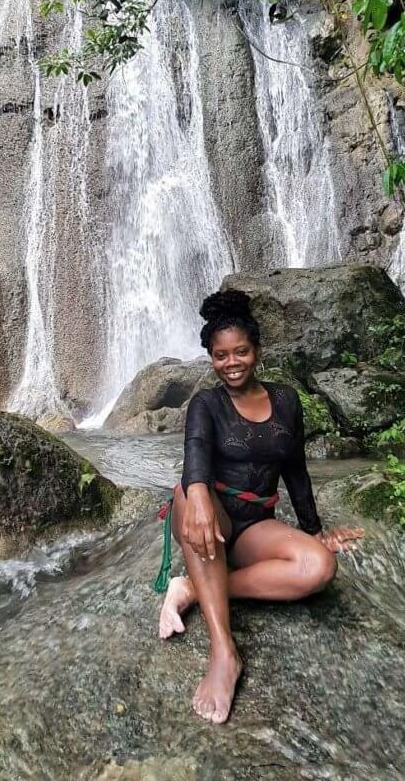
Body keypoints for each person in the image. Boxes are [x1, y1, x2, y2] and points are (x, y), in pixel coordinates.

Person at [158, 288, 364, 724]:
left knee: (319, 567)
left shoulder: (286, 401)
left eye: (241, 352)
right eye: (220, 355)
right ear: (211, 358)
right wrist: (196, 494)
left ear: (257, 350)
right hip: (208, 518)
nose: (232, 363)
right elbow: (195, 453)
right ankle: (223, 652)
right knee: (186, 490)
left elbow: (295, 469)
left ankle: (195, 589)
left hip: (254, 527)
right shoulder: (206, 404)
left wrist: (313, 530)